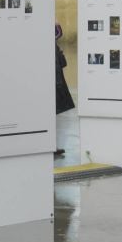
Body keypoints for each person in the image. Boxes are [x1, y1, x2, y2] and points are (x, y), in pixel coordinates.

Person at [53, 24, 73, 157]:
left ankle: (51, 145)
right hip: (52, 79)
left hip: (56, 78)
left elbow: (58, 32)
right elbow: (58, 32)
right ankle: (49, 145)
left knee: (51, 114)